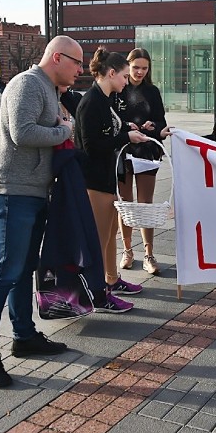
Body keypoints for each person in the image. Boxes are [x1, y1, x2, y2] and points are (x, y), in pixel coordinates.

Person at [0, 35, 84, 388]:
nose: (80, 70)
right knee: (5, 271)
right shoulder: (27, 84)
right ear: (57, 58)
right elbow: (22, 133)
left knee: (23, 270)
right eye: (77, 63)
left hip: (33, 191)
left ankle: (24, 336)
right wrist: (65, 129)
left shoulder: (51, 89)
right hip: (11, 190)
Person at [74, 46, 152, 313]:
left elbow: (107, 133)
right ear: (110, 73)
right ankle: (98, 293)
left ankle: (110, 280)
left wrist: (129, 129)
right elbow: (91, 145)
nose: (126, 81)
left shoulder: (104, 98)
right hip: (94, 180)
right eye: (122, 76)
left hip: (106, 177)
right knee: (99, 238)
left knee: (109, 236)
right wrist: (124, 138)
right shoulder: (92, 101)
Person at [115, 48, 168, 275]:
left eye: (144, 68)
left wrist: (152, 126)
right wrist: (127, 127)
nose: (139, 72)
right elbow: (112, 119)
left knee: (145, 202)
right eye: (135, 67)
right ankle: (127, 251)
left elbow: (161, 122)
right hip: (122, 151)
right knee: (125, 202)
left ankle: (149, 254)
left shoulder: (152, 91)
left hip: (146, 151)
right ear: (128, 66)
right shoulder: (118, 88)